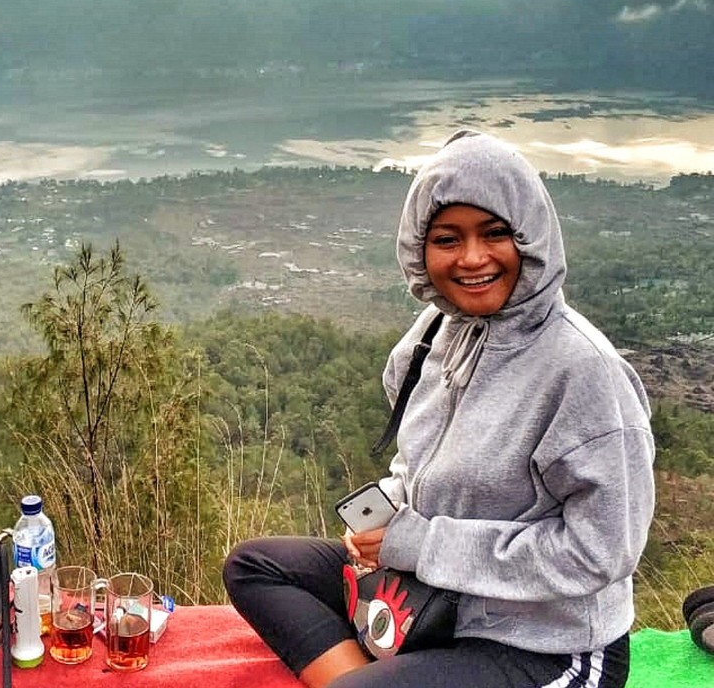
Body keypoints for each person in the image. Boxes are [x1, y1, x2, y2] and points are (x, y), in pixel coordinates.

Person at [224, 130, 656, 688]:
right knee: (256, 566)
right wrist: (389, 514)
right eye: (448, 239)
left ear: (531, 237)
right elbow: (421, 463)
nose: (472, 258)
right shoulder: (435, 336)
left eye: (495, 233)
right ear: (420, 250)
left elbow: (599, 554)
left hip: (541, 644)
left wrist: (422, 545)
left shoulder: (581, 371)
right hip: (429, 603)